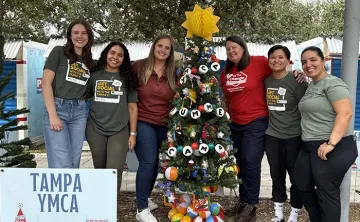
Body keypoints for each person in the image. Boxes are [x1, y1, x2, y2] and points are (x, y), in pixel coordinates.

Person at [220, 35, 305, 222]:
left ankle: (251, 205)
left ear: (243, 48)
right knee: (240, 163)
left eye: (235, 47)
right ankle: (243, 201)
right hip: (235, 123)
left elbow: (280, 66)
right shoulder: (226, 71)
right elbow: (226, 97)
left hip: (256, 122)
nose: (232, 51)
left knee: (251, 161)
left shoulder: (258, 62)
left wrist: (297, 71)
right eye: (228, 49)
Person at [293, 46, 358, 222]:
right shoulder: (312, 86)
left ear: (323, 61)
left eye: (313, 60)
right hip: (310, 145)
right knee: (300, 183)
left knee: (326, 192)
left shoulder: (332, 83)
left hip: (331, 145)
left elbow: (345, 113)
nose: (308, 64)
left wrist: (331, 143)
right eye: (304, 61)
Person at [133, 34, 177, 222]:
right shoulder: (139, 66)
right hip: (143, 121)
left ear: (170, 52)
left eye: (167, 48)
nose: (163, 50)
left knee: (155, 165)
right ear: (153, 46)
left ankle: (146, 198)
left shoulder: (174, 71)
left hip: (164, 125)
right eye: (160, 46)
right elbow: (129, 95)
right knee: (148, 162)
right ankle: (141, 208)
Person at [85, 42, 138, 194]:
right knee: (100, 169)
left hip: (119, 129)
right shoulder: (94, 76)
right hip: (95, 129)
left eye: (120, 55)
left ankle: (110, 207)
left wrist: (133, 134)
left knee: (115, 169)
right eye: (112, 53)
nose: (115, 57)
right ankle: (100, 206)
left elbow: (133, 107)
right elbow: (83, 97)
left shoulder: (128, 78)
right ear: (106, 54)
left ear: (124, 59)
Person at [42, 19, 94, 168]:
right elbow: (46, 83)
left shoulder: (89, 61)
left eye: (84, 33)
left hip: (79, 111)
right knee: (61, 160)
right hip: (58, 108)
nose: (80, 36)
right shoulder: (59, 52)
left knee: (74, 159)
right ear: (70, 35)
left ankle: (67, 191)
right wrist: (53, 115)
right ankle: (58, 190)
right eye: (76, 32)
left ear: (89, 36)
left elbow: (89, 90)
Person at [264, 45, 307, 222]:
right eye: (273, 57)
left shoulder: (297, 81)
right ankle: (278, 212)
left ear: (288, 60)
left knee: (295, 176)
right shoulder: (266, 81)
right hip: (273, 136)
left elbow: (306, 107)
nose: (276, 61)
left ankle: (295, 213)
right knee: (276, 174)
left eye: (281, 57)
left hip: (294, 136)